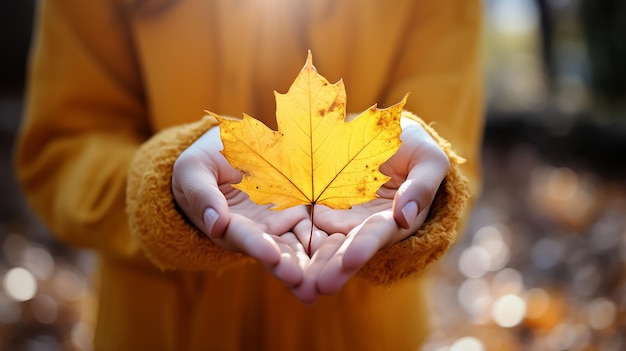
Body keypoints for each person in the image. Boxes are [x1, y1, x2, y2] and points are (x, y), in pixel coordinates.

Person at [15, 0, 483, 350]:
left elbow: (450, 146)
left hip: (363, 334)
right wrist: (162, 189)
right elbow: (60, 152)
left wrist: (428, 194)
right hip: (158, 331)